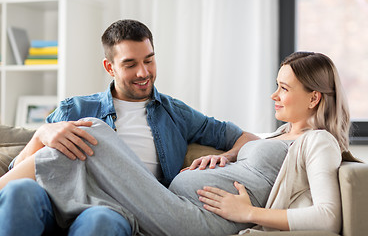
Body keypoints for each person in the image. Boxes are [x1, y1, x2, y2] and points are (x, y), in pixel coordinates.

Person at [0, 51, 350, 235]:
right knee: (87, 132)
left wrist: (248, 213)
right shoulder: (278, 136)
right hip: (172, 203)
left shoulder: (318, 141)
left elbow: (328, 218)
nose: (273, 95)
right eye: (276, 84)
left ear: (314, 97)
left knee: (92, 129)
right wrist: (227, 157)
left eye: (284, 89)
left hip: (195, 220)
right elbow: (248, 152)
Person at [0, 19, 257, 236]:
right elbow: (23, 168)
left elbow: (246, 137)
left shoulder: (176, 114)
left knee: (101, 222)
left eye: (149, 60)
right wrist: (40, 135)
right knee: (18, 190)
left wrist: (224, 156)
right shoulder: (75, 109)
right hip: (57, 197)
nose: (143, 72)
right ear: (109, 67)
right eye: (130, 64)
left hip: (113, 208)